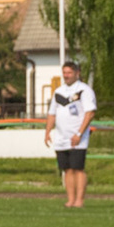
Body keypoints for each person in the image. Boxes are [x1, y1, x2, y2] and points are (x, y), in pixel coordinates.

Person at [44, 61, 96, 208]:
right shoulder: (59, 91)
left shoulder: (84, 90)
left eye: (69, 73)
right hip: (61, 137)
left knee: (77, 168)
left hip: (77, 138)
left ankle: (79, 200)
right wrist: (47, 131)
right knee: (67, 169)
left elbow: (90, 112)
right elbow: (52, 113)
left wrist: (79, 133)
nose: (66, 76)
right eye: (64, 73)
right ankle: (70, 199)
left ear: (77, 73)